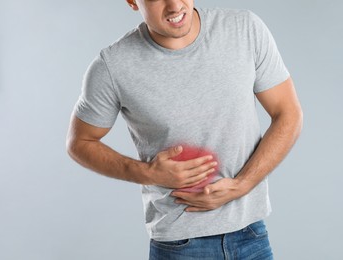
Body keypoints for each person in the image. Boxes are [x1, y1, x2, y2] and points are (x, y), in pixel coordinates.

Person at [66, 0, 303, 259]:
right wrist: (147, 173)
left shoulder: (244, 29)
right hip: (180, 246)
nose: (175, 5)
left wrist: (242, 185)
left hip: (251, 236)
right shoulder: (112, 66)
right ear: (133, 1)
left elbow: (288, 114)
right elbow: (80, 143)